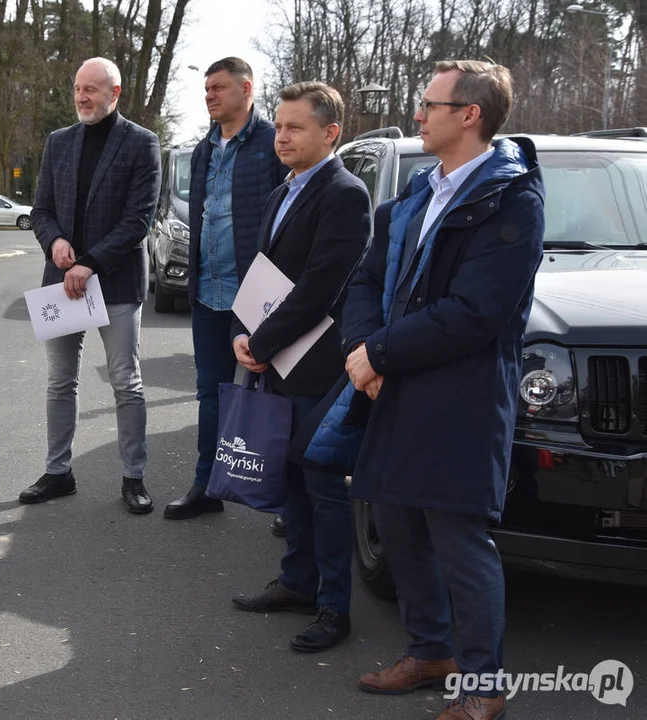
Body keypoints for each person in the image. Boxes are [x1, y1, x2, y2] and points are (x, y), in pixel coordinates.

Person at [339, 62, 544, 719]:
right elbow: (366, 281)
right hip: (395, 389)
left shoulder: (511, 200)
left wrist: (378, 352)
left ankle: (484, 687)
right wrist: (364, 348)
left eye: (429, 104)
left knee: (459, 541)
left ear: (469, 114)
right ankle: (429, 652)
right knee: (396, 522)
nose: (417, 114)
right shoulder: (412, 197)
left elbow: (475, 312)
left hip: (461, 397)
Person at [228, 83, 371, 653]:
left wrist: (261, 340)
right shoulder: (281, 190)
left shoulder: (344, 193)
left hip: (316, 366)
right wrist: (244, 331)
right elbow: (264, 273)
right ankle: (295, 582)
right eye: (280, 126)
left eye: (295, 128)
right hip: (274, 357)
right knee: (287, 478)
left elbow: (320, 288)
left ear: (330, 132)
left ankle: (334, 607)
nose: (281, 137)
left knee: (322, 485)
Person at [18, 57, 161, 514]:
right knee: (60, 382)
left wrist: (91, 262)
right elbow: (40, 210)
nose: (82, 97)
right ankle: (58, 472)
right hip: (61, 283)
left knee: (126, 381)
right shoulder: (58, 142)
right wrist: (55, 240)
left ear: (114, 93)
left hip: (115, 283)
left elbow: (138, 220)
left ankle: (133, 477)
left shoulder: (142, 143)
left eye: (91, 90)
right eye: (78, 88)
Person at [163, 57, 288, 521]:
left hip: (259, 293)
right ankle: (207, 484)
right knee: (209, 391)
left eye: (218, 87)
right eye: (206, 89)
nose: (209, 95)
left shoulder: (273, 144)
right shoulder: (203, 151)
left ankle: (285, 500)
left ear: (246, 88)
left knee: (277, 394)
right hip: (209, 292)